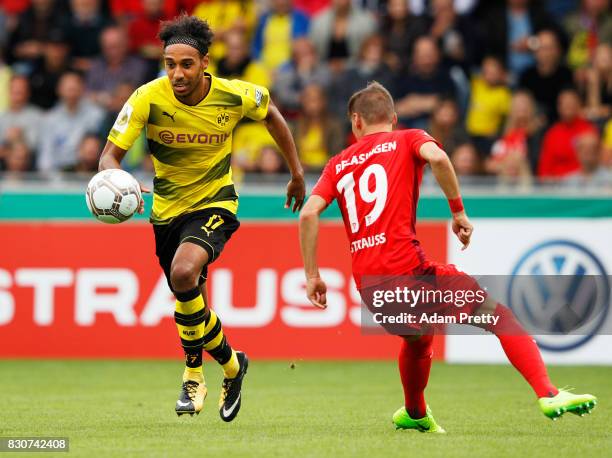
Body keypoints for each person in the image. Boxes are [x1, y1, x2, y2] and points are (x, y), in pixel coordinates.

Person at [298, 82, 597, 432]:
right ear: (393, 118)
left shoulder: (337, 164)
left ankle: (414, 412)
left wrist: (312, 275)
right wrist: (457, 212)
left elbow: (307, 214)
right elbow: (438, 157)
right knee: (496, 314)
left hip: (369, 285)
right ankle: (547, 392)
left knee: (418, 336)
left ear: (356, 122)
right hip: (408, 270)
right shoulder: (408, 137)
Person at [98, 14, 305, 421]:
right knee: (190, 301)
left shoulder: (234, 95)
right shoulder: (146, 97)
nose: (176, 73)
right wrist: (118, 178)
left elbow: (273, 116)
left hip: (215, 203)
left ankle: (193, 374)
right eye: (169, 64)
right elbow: (109, 155)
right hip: (165, 211)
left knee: (183, 273)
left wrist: (297, 174)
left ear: (205, 62)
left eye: (186, 64)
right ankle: (232, 365)